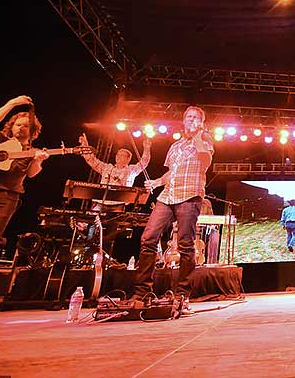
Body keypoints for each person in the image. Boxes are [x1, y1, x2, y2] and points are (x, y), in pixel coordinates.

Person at [132, 106, 214, 312]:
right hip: (167, 195)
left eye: (196, 118)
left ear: (202, 122)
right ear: (184, 121)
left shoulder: (205, 140)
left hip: (190, 195)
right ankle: (142, 293)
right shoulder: (175, 145)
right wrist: (157, 182)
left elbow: (205, 162)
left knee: (186, 244)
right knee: (148, 238)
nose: (191, 120)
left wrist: (197, 136)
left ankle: (182, 295)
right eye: (188, 117)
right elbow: (171, 172)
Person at [0, 96, 49, 279]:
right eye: (18, 124)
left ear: (32, 130)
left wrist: (38, 160)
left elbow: (32, 173)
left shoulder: (31, 152)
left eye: (26, 125)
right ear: (11, 125)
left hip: (6, 198)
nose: (21, 127)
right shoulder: (0, 141)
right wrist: (12, 104)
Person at [78, 132, 151, 187]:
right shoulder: (107, 168)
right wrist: (85, 146)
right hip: (101, 201)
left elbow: (143, 163)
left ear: (128, 159)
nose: (118, 157)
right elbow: (91, 160)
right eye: (117, 155)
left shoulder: (131, 170)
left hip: (119, 202)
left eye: (122, 155)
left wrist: (146, 148)